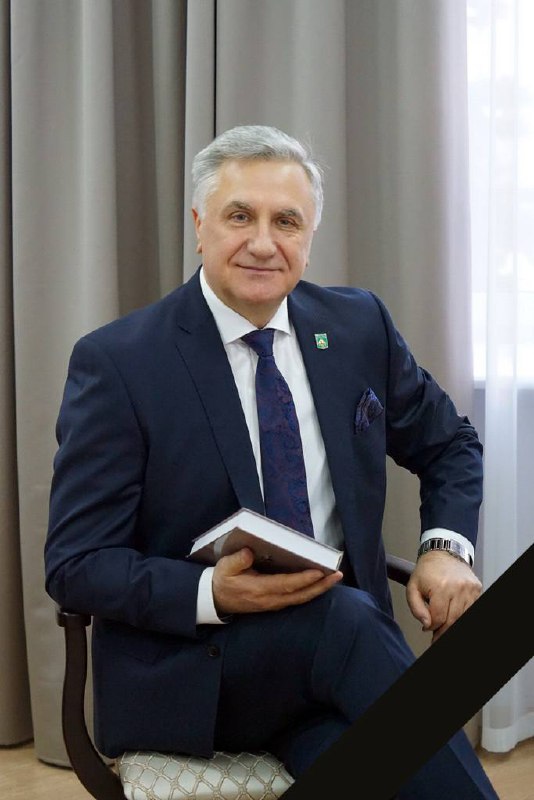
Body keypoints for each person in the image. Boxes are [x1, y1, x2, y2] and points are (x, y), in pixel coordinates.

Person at [45, 124, 499, 798]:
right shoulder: (120, 362)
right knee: (346, 619)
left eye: (286, 221)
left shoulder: (357, 327)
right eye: (240, 216)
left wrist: (445, 549)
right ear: (199, 227)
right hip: (201, 666)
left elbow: (450, 443)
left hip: (336, 670)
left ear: (310, 236)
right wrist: (211, 592)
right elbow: (76, 564)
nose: (264, 242)